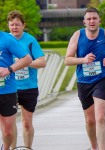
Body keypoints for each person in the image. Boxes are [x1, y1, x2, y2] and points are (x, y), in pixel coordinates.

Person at [64, 7, 105, 150]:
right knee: (90, 121)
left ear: (99, 21)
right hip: (84, 82)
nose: (92, 21)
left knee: (101, 118)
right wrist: (83, 60)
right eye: (89, 19)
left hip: (103, 79)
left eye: (94, 18)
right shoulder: (77, 36)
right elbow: (67, 60)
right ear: (84, 22)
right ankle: (93, 147)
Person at [7, 10, 46, 149]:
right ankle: (12, 148)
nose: (14, 27)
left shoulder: (30, 41)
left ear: (23, 25)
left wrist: (25, 62)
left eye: (17, 25)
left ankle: (27, 148)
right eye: (12, 25)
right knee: (10, 123)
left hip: (29, 87)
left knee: (26, 122)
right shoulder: (5, 41)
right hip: (10, 88)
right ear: (8, 26)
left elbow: (42, 62)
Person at [0, 31, 32, 150]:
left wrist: (9, 69)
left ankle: (6, 148)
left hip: (7, 91)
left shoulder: (7, 39)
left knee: (8, 131)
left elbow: (27, 59)